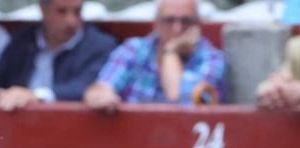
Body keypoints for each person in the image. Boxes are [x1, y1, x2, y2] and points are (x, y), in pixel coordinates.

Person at [0, 0, 116, 110]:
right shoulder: (22, 41)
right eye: (62, 11)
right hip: (18, 135)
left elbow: (84, 86)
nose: (71, 21)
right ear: (43, 9)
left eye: (77, 11)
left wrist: (37, 96)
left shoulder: (100, 45)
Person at [82, 0, 228, 110]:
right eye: (169, 20)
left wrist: (170, 52)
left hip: (184, 144)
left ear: (198, 25)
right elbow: (104, 85)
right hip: (130, 141)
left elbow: (179, 102)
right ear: (156, 23)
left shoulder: (212, 59)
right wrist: (100, 95)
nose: (177, 28)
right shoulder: (133, 49)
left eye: (186, 21)